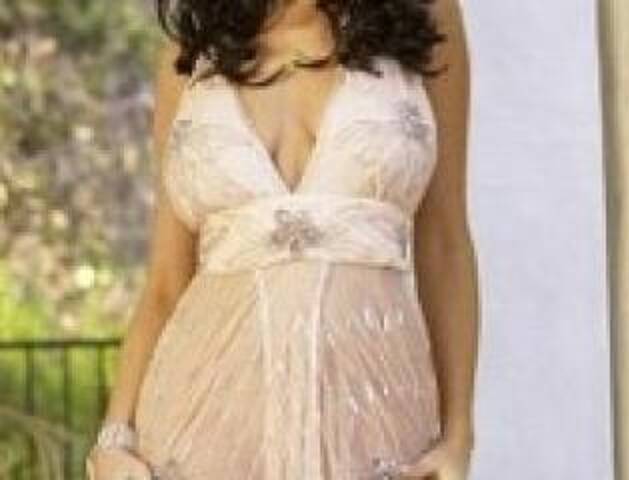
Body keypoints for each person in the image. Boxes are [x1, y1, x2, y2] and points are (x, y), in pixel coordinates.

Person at [84, 0, 478, 478]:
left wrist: (458, 435)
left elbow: (445, 245)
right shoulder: (189, 57)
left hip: (376, 425)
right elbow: (166, 285)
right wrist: (114, 438)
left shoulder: (422, 18)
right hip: (196, 430)